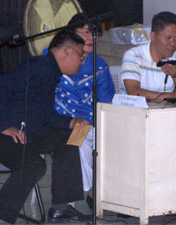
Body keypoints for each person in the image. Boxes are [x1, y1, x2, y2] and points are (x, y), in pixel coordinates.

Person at [0, 30, 89, 225]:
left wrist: (70, 122)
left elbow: (44, 114)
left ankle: (61, 207)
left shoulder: (50, 72)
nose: (82, 61)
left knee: (70, 136)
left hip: (22, 130)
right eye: (80, 56)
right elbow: (1, 87)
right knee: (34, 164)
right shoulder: (40, 68)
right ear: (67, 52)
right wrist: (4, 126)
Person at [54, 13, 115, 208]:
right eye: (85, 33)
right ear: (71, 36)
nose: (90, 38)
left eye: (93, 33)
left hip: (95, 122)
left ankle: (118, 196)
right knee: (79, 139)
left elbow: (107, 101)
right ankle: (90, 192)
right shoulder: (55, 61)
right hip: (63, 123)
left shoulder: (100, 66)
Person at [120, 11, 176, 102]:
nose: (173, 43)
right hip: (132, 111)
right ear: (153, 36)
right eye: (168, 38)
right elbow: (133, 92)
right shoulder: (133, 56)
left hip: (165, 112)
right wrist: (170, 96)